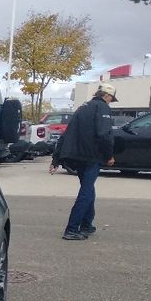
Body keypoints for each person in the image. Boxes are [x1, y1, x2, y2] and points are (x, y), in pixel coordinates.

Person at [55, 83, 117, 240]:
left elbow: (67, 133)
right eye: (111, 99)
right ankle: (72, 229)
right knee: (86, 192)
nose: (110, 102)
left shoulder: (83, 107)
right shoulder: (102, 108)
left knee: (88, 189)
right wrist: (109, 155)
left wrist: (56, 158)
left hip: (78, 156)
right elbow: (104, 135)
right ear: (107, 96)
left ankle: (87, 224)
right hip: (92, 156)